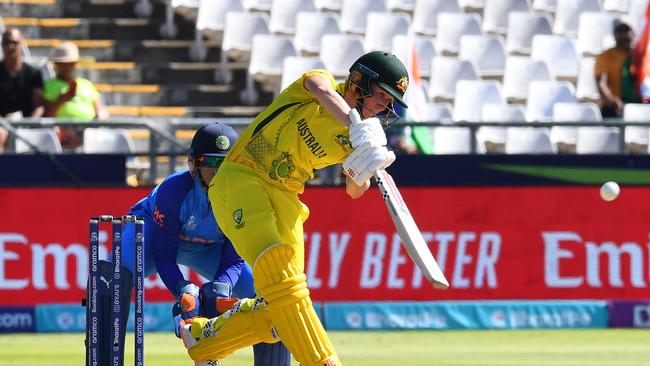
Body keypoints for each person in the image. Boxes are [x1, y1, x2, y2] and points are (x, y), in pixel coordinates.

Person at [180, 51, 408, 365]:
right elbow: (320, 88)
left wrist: (361, 169)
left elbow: (355, 191)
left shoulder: (361, 137)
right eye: (381, 94)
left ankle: (204, 340)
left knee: (278, 313)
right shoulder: (321, 87)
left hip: (286, 196)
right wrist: (355, 124)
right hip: (243, 177)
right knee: (281, 274)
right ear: (359, 81)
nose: (384, 105)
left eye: (390, 100)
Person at [87, 122, 290, 366]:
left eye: (225, 166)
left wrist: (220, 289)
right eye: (210, 166)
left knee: (271, 297)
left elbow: (234, 258)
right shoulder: (173, 191)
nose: (218, 176)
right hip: (152, 231)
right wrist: (181, 289)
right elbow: (163, 254)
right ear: (193, 165)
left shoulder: (246, 196)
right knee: (111, 278)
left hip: (210, 249)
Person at [43, 41, 109, 150]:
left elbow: (101, 110)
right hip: (60, 133)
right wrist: (62, 99)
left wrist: (99, 120)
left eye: (70, 63)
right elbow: (47, 115)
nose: (67, 67)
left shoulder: (86, 84)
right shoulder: (48, 85)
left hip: (88, 131)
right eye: (63, 63)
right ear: (57, 65)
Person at [0, 28, 44, 152]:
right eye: (7, 42)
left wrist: (29, 124)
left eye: (14, 42)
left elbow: (39, 106)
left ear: (22, 44)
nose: (11, 47)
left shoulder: (34, 74)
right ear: (2, 46)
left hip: (28, 124)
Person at [595, 21, 641, 118]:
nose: (623, 36)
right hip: (614, 103)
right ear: (615, 35)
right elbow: (601, 83)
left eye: (626, 32)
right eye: (620, 32)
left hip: (637, 101)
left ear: (632, 34)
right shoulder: (606, 56)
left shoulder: (640, 56)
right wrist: (613, 100)